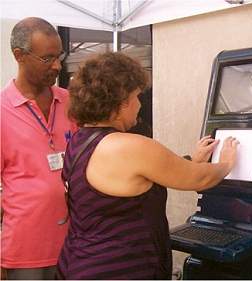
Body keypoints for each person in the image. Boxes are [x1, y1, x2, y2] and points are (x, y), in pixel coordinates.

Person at [56, 52, 239, 280]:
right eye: (137, 96)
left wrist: (192, 160)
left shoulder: (80, 141)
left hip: (78, 264)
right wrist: (227, 163)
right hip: (120, 270)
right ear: (122, 102)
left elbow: (140, 175)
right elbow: (198, 179)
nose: (140, 104)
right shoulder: (130, 146)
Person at [1, 17, 76, 280]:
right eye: (47, 58)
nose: (57, 66)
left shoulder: (70, 103)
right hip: (26, 251)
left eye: (60, 57)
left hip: (76, 244)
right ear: (19, 55)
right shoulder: (2, 111)